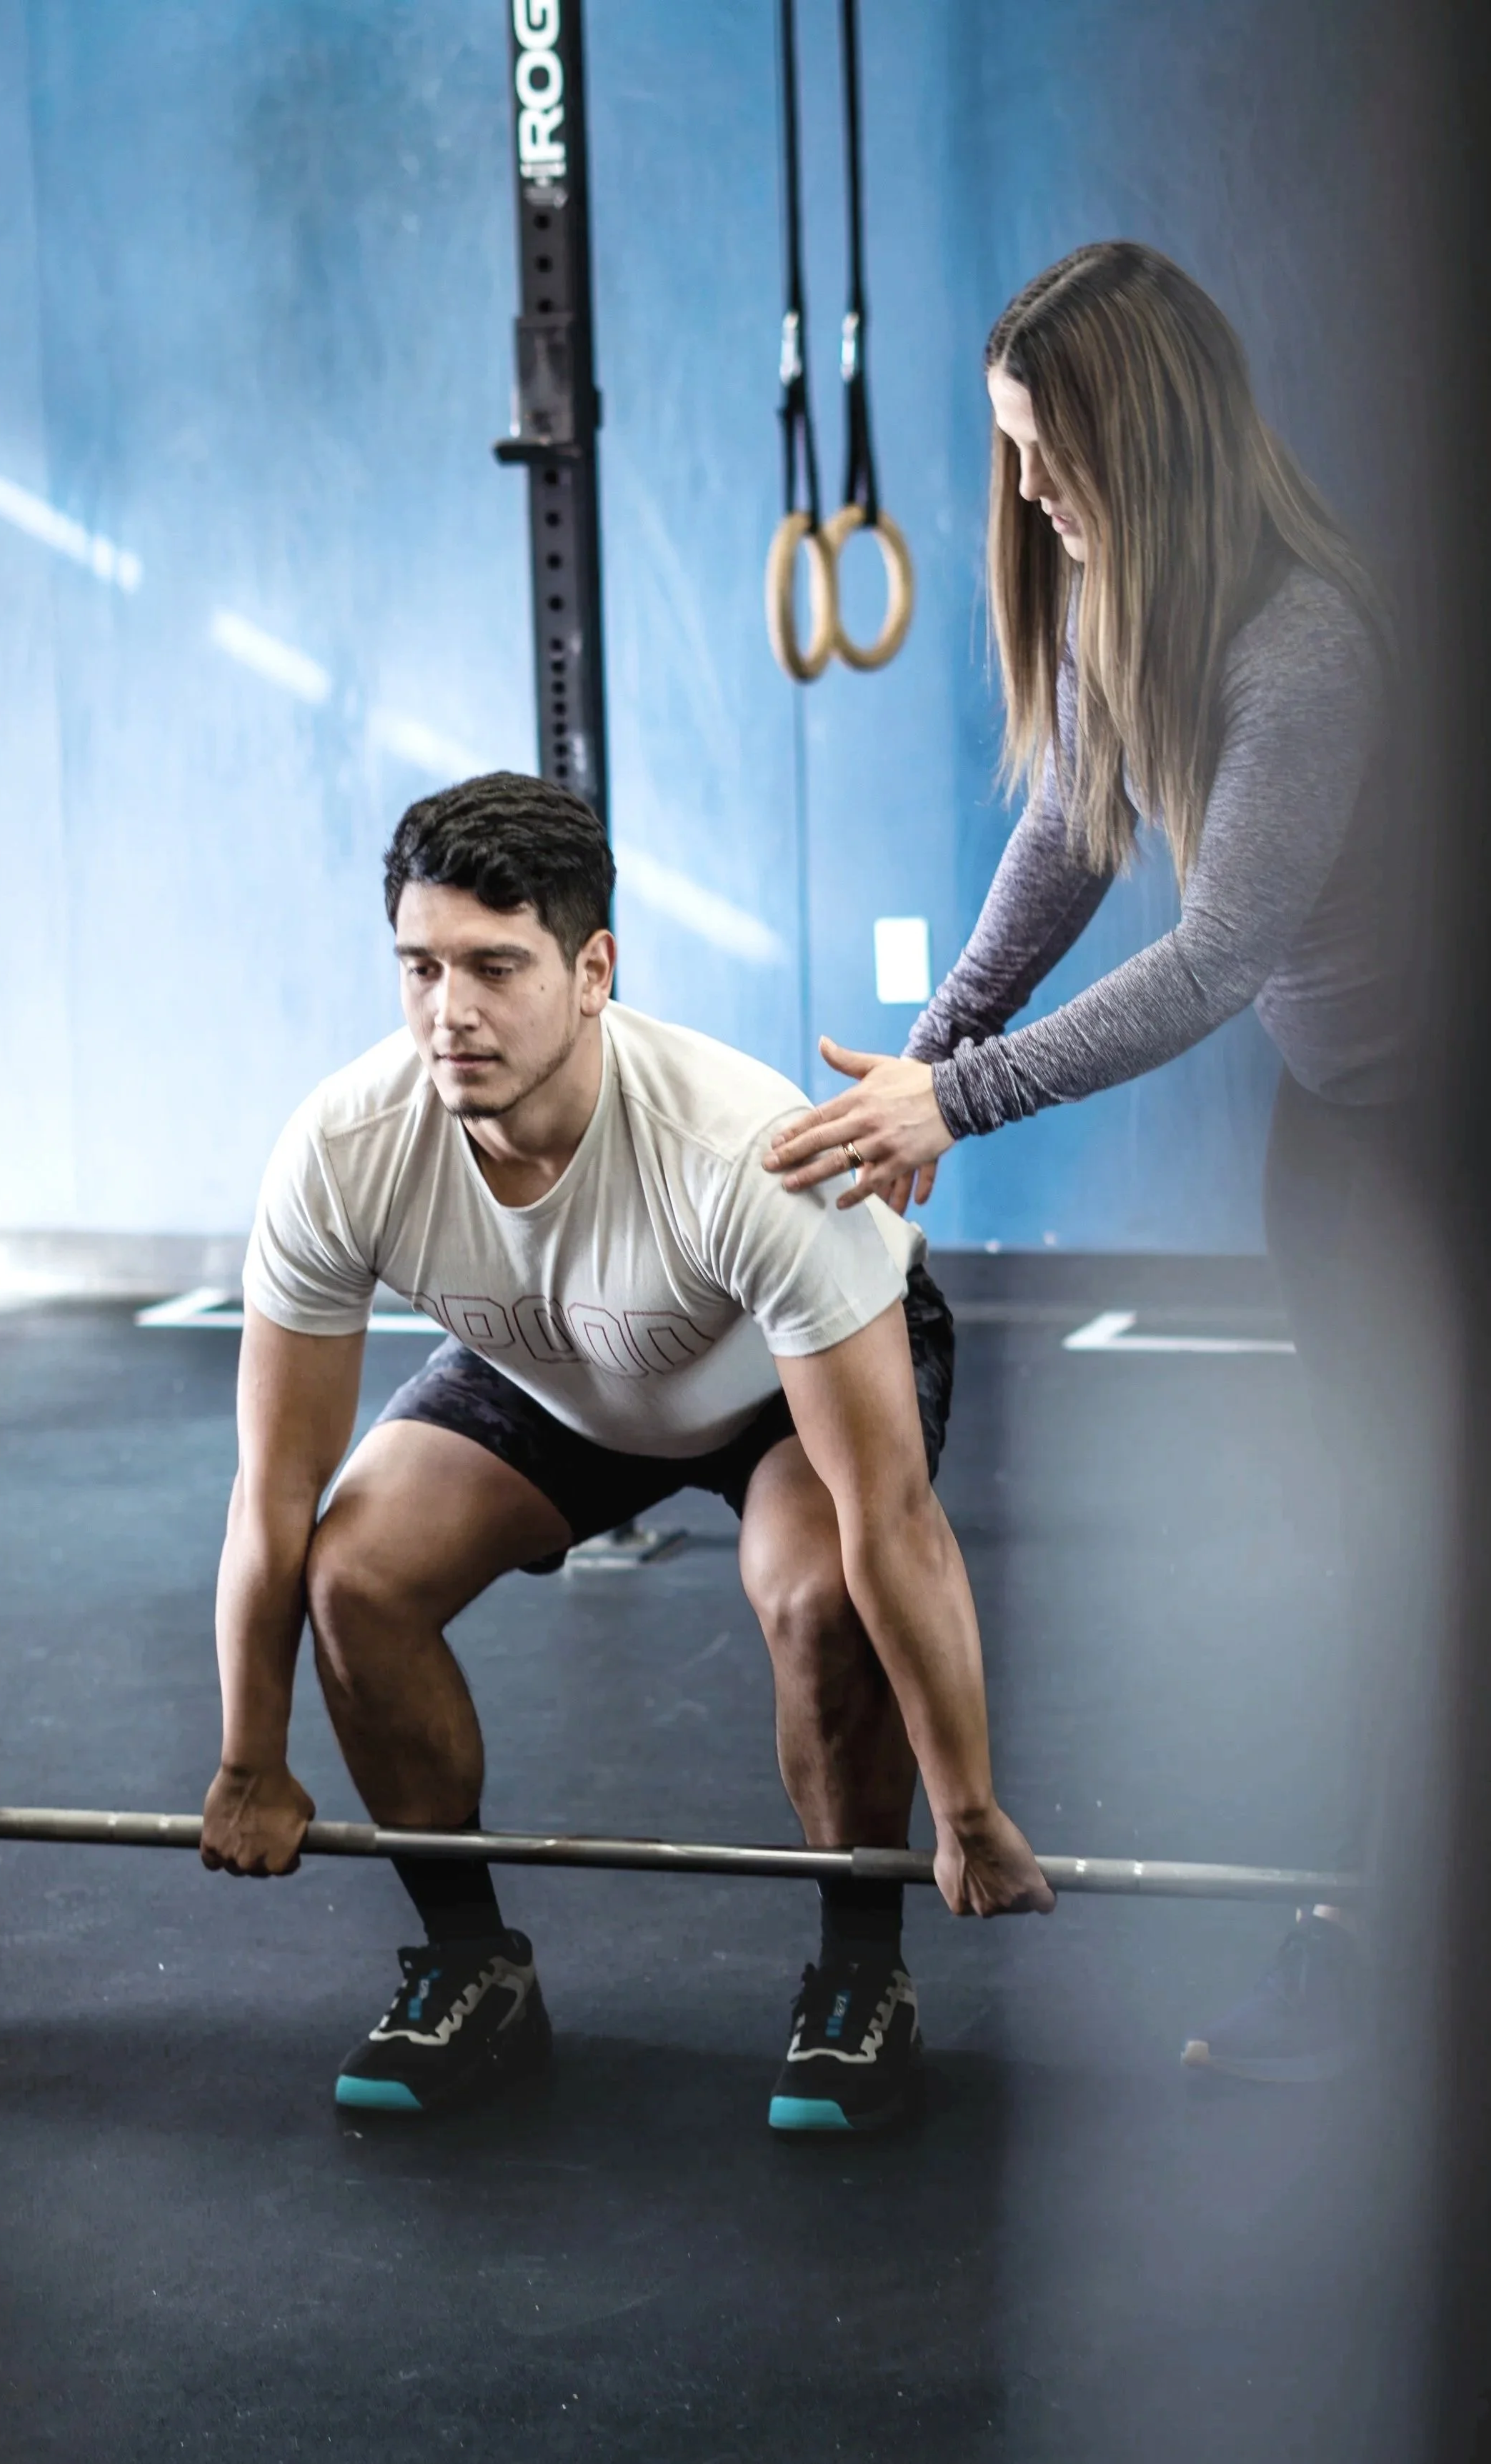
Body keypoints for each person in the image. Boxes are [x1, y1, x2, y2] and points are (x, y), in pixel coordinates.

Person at [764, 241, 1409, 2085]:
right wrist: (928, 1048)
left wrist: (949, 1108)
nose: (1029, 496)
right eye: (1012, 458)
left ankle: (1368, 1945)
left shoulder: (1302, 641)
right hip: (1337, 1140)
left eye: (1048, 456)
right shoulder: (1125, 599)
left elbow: (1208, 956)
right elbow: (1063, 839)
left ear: (1149, 435)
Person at [199, 771, 1053, 2132]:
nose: (449, 1011)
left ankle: (857, 1970)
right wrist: (251, 1753)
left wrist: (965, 1804)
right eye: (418, 966)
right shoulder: (345, 1147)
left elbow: (892, 1515)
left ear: (593, 969)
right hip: (557, 1368)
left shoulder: (741, 1149)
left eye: (494, 966)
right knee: (353, 1571)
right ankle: (470, 1962)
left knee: (819, 1587)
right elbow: (274, 1490)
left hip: (775, 1387)